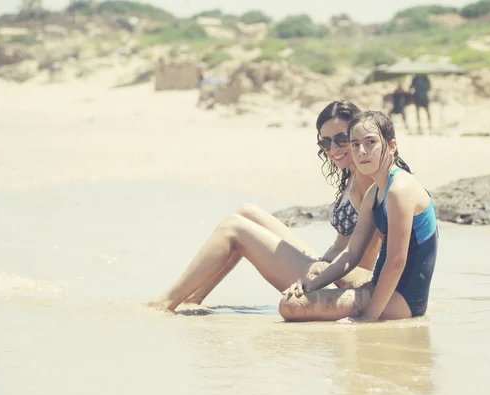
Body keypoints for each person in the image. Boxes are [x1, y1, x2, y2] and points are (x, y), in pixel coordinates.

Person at [146, 101, 383, 313]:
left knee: (233, 228)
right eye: (325, 142)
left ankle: (165, 302)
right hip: (329, 265)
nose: (333, 149)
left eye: (341, 139)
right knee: (246, 212)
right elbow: (344, 242)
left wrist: (322, 270)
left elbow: (363, 250)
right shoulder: (354, 175)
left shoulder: (366, 177)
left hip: (342, 279)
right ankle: (191, 298)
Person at [279, 110, 438, 322]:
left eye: (370, 142)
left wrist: (368, 318)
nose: (361, 151)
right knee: (309, 280)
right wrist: (313, 285)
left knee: (290, 307)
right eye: (355, 144)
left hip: (404, 300)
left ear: (391, 146)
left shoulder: (399, 189)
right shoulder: (375, 192)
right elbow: (352, 253)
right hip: (378, 287)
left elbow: (396, 262)